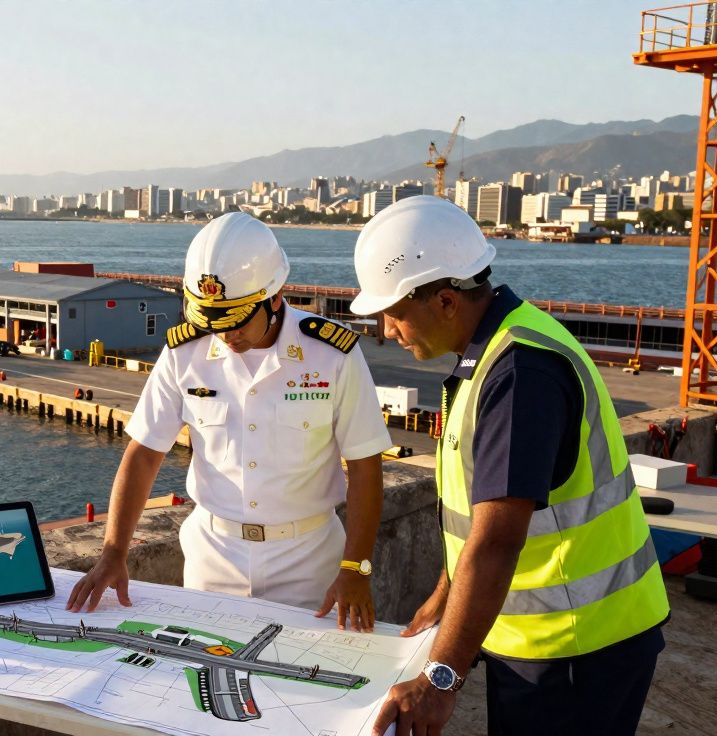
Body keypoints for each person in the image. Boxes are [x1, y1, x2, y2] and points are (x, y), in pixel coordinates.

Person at [353, 197, 670, 736]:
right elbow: (478, 516)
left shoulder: (521, 373)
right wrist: (445, 594)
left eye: (394, 312)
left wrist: (439, 679)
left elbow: (497, 540)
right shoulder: (496, 352)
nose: (386, 331)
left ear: (448, 302)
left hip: (576, 647)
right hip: (548, 640)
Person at [65, 212, 392, 630]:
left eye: (236, 322)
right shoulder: (184, 354)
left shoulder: (332, 354)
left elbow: (365, 465)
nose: (225, 335)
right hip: (213, 560)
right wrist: (113, 551)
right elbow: (145, 452)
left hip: (309, 563)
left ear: (274, 297)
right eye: (211, 322)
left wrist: (356, 568)